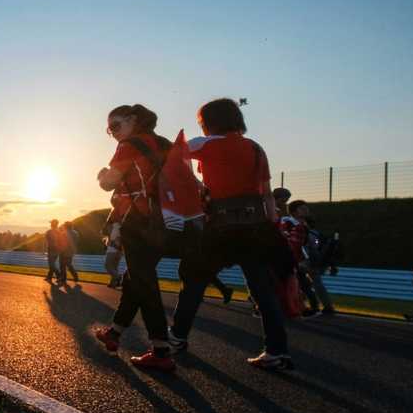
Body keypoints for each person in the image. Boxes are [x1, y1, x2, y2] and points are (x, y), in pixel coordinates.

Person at [170, 98, 293, 370]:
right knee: (263, 290)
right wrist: (272, 227)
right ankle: (277, 350)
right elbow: (268, 195)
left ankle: (176, 337)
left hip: (220, 227)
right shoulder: (255, 148)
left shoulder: (205, 143)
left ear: (207, 121)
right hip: (256, 226)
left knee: (194, 283)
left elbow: (172, 157)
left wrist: (197, 187)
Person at [91, 104, 176, 369]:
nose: (113, 133)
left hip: (137, 221)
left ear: (134, 119)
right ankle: (114, 333)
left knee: (145, 282)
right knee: (136, 278)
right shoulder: (165, 144)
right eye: (109, 129)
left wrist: (103, 176)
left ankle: (161, 350)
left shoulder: (128, 145)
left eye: (116, 125)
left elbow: (109, 183)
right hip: (167, 221)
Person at [57, 221, 81, 287]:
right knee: (69, 264)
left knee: (62, 266)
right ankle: (75, 276)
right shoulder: (76, 233)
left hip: (64, 251)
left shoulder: (64, 233)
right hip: (71, 251)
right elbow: (76, 242)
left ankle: (64, 279)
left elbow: (62, 243)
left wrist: (60, 250)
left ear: (65, 226)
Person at [103, 221, 123, 288]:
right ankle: (113, 284)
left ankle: (118, 277)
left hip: (113, 251)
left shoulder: (115, 226)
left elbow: (114, 240)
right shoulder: (120, 226)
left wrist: (110, 243)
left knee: (107, 265)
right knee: (114, 267)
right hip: (119, 251)